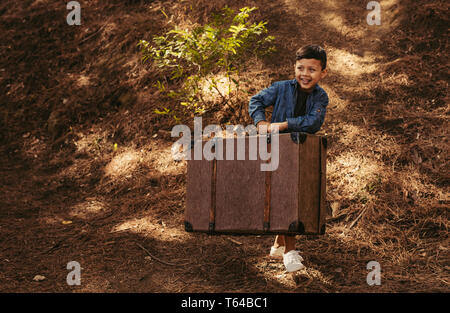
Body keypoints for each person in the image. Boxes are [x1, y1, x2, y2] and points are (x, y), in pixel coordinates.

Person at [248, 44, 329, 272]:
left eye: (312, 70)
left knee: (294, 195)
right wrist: (261, 122)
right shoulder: (281, 88)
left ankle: (277, 246)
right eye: (300, 68)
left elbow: (313, 122)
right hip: (277, 150)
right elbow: (255, 101)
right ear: (294, 67)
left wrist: (283, 124)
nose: (305, 74)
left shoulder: (321, 97)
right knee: (285, 194)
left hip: (302, 154)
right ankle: (290, 251)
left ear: (323, 73)